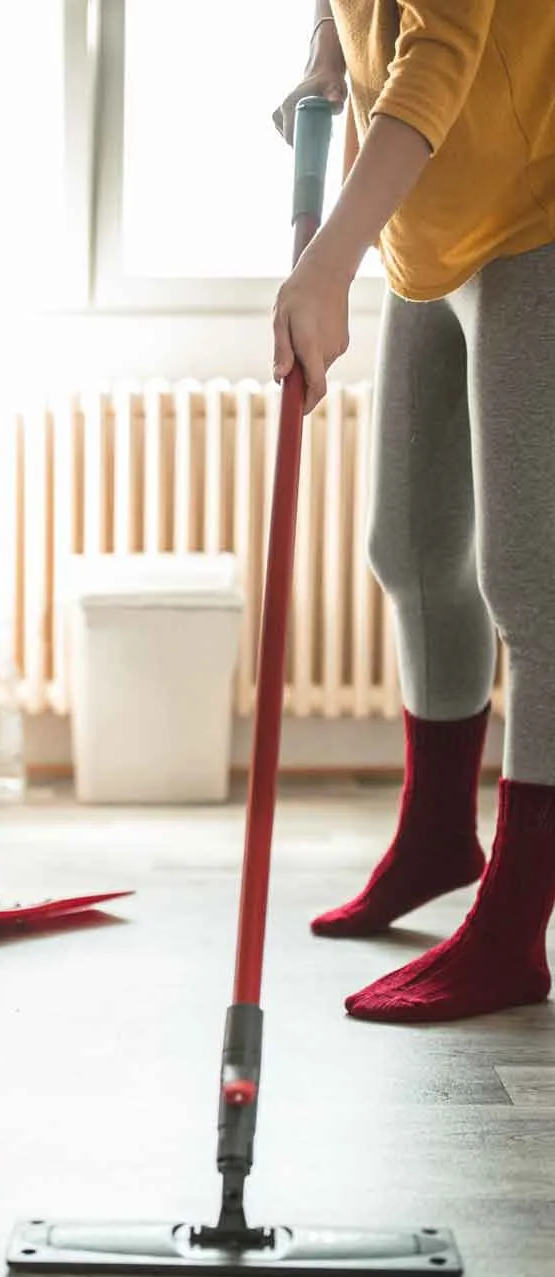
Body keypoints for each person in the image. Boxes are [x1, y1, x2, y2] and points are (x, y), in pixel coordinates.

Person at [271, 2, 555, 1023]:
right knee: (410, 547)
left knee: (533, 582)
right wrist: (321, 60)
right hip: (427, 225)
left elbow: (442, 45)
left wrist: (325, 262)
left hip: (535, 210)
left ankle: (516, 923)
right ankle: (437, 835)